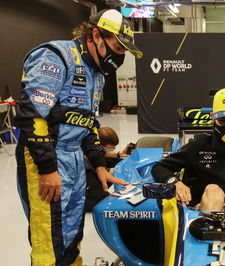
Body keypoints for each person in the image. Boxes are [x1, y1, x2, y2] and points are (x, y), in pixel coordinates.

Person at [14, 9, 141, 265]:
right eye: (117, 47)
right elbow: (32, 116)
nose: (120, 56)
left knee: (72, 232)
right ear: (96, 35)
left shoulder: (96, 73)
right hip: (44, 159)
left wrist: (100, 165)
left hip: (73, 159)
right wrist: (47, 169)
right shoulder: (55, 57)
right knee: (49, 238)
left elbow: (88, 123)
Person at [85, 126, 135, 212]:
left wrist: (119, 154)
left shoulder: (95, 148)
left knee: (118, 161)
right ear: (99, 145)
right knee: (104, 201)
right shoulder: (83, 150)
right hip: (86, 174)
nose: (111, 150)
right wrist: (113, 171)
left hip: (94, 166)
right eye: (109, 148)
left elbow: (101, 154)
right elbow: (93, 160)